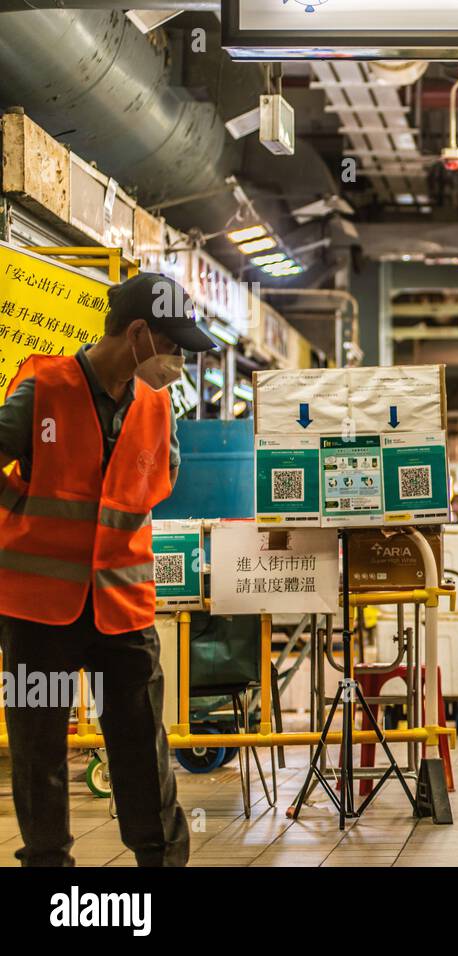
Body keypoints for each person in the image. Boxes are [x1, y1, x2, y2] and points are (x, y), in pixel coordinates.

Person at [0, 271, 217, 867]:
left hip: (121, 606)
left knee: (141, 744)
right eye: (174, 348)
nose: (178, 363)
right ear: (139, 334)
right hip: (39, 607)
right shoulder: (43, 389)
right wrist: (18, 508)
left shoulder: (156, 403)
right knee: (39, 747)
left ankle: (161, 863)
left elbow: (158, 481)